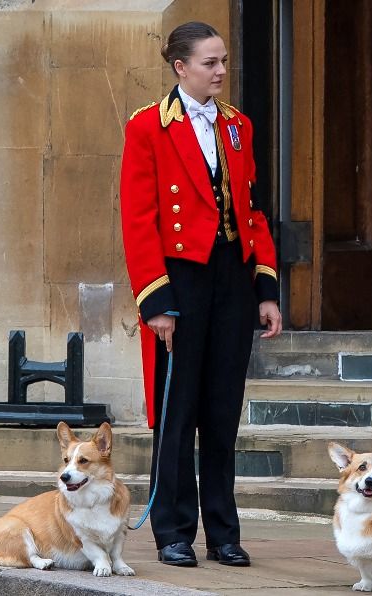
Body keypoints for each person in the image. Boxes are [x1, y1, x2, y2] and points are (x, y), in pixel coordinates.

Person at [119, 21, 282, 568]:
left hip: (231, 279)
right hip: (178, 282)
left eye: (223, 61)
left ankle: (224, 532)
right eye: (210, 63)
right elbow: (138, 221)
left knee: (221, 411)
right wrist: (156, 302)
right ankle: (172, 530)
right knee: (176, 410)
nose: (221, 71)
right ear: (180, 67)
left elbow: (253, 211)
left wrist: (265, 287)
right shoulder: (147, 126)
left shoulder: (237, 125)